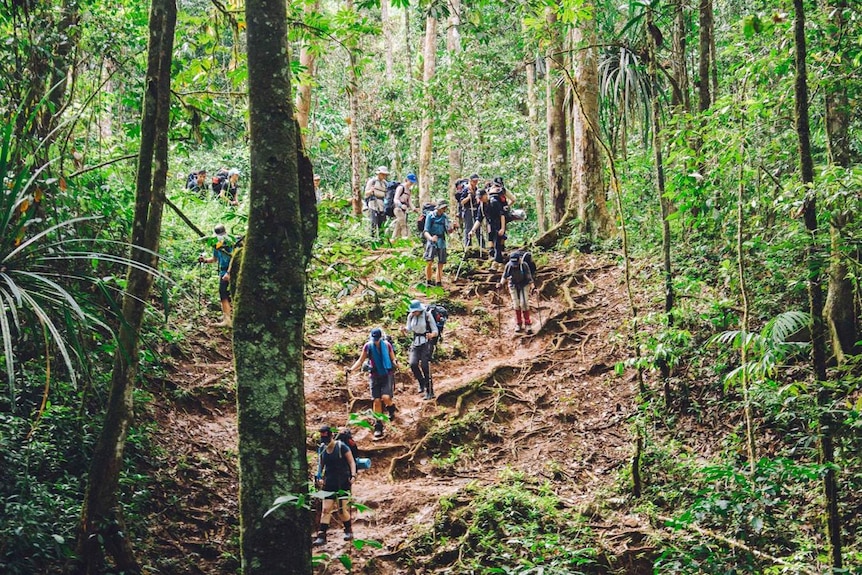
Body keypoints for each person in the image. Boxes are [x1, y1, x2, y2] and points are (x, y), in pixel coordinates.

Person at [348, 328, 397, 439]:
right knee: (376, 400)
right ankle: (378, 425)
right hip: (374, 376)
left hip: (387, 374)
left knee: (385, 397)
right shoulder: (368, 346)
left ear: (380, 338)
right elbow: (361, 361)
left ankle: (391, 408)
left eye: (377, 339)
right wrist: (351, 369)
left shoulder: (387, 345)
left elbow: (393, 358)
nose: (375, 341)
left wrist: (396, 363)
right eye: (373, 339)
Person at [312, 424, 357, 545]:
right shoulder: (322, 448)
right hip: (329, 482)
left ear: (331, 435)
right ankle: (322, 535)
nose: (325, 441)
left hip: (343, 482)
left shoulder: (341, 447)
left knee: (342, 510)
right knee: (326, 509)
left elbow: (351, 461)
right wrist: (319, 476)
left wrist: (353, 476)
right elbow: (320, 465)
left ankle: (348, 530)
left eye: (326, 438)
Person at [198, 224, 233, 327]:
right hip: (223, 272)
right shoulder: (216, 245)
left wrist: (229, 273)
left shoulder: (229, 243)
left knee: (225, 294)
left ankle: (228, 320)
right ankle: (227, 316)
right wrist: (204, 260)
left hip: (229, 272)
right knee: (224, 294)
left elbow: (233, 258)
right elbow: (214, 259)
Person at [402, 300, 438, 400]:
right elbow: (409, 328)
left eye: (415, 311)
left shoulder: (427, 315)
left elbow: (435, 330)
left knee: (425, 366)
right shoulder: (410, 316)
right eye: (412, 311)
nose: (413, 313)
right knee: (413, 363)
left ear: (419, 310)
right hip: (415, 342)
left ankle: (430, 391)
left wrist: (431, 335)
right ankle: (421, 382)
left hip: (426, 343)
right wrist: (404, 330)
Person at [498, 251, 534, 333]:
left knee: (524, 303)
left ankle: (528, 324)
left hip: (524, 284)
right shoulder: (509, 265)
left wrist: (533, 287)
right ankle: (519, 323)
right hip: (513, 285)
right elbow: (505, 276)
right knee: (516, 304)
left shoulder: (524, 265)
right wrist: (500, 284)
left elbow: (529, 277)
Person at [422, 201, 455, 287]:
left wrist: (453, 227)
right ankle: (428, 281)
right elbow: (425, 231)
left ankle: (438, 282)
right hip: (432, 241)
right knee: (429, 261)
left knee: (441, 262)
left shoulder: (445, 217)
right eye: (442, 208)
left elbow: (448, 231)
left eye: (445, 208)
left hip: (441, 241)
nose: (443, 210)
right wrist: (431, 238)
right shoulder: (430, 216)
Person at [364, 166, 389, 239]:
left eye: (385, 174)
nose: (384, 176)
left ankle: (381, 240)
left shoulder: (385, 183)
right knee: (374, 223)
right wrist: (370, 191)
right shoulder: (372, 181)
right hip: (373, 204)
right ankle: (373, 240)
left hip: (382, 205)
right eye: (382, 174)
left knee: (382, 224)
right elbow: (366, 194)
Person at [486, 184, 507, 268]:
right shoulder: (483, 204)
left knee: (497, 243)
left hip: (498, 223)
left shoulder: (494, 202)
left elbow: (501, 215)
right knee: (494, 241)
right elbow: (479, 218)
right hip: (491, 224)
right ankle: (496, 261)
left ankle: (497, 263)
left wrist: (502, 228)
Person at [391, 173, 417, 240]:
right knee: (403, 225)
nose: (411, 183)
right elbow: (395, 199)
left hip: (404, 210)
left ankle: (393, 240)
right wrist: (401, 205)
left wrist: (414, 209)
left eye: (412, 182)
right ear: (406, 180)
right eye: (410, 182)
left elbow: (409, 201)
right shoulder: (401, 188)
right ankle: (405, 238)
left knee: (398, 226)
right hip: (398, 209)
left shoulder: (409, 190)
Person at [458, 174, 482, 247]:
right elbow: (462, 202)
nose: (475, 182)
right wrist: (468, 197)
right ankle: (468, 246)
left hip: (476, 210)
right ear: (470, 181)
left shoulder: (477, 189)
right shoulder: (466, 189)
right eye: (474, 181)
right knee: (468, 228)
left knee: (478, 228)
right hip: (468, 210)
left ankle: (482, 246)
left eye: (477, 181)